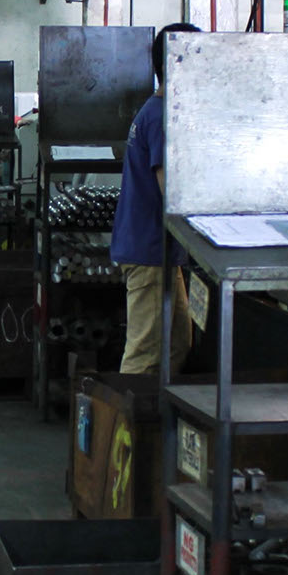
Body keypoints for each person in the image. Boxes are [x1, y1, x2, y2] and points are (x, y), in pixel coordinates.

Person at [112, 22, 200, 376]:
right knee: (144, 354)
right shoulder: (162, 116)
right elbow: (171, 191)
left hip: (161, 252)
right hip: (148, 252)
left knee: (177, 342)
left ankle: (156, 407)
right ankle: (126, 412)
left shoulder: (158, 110)